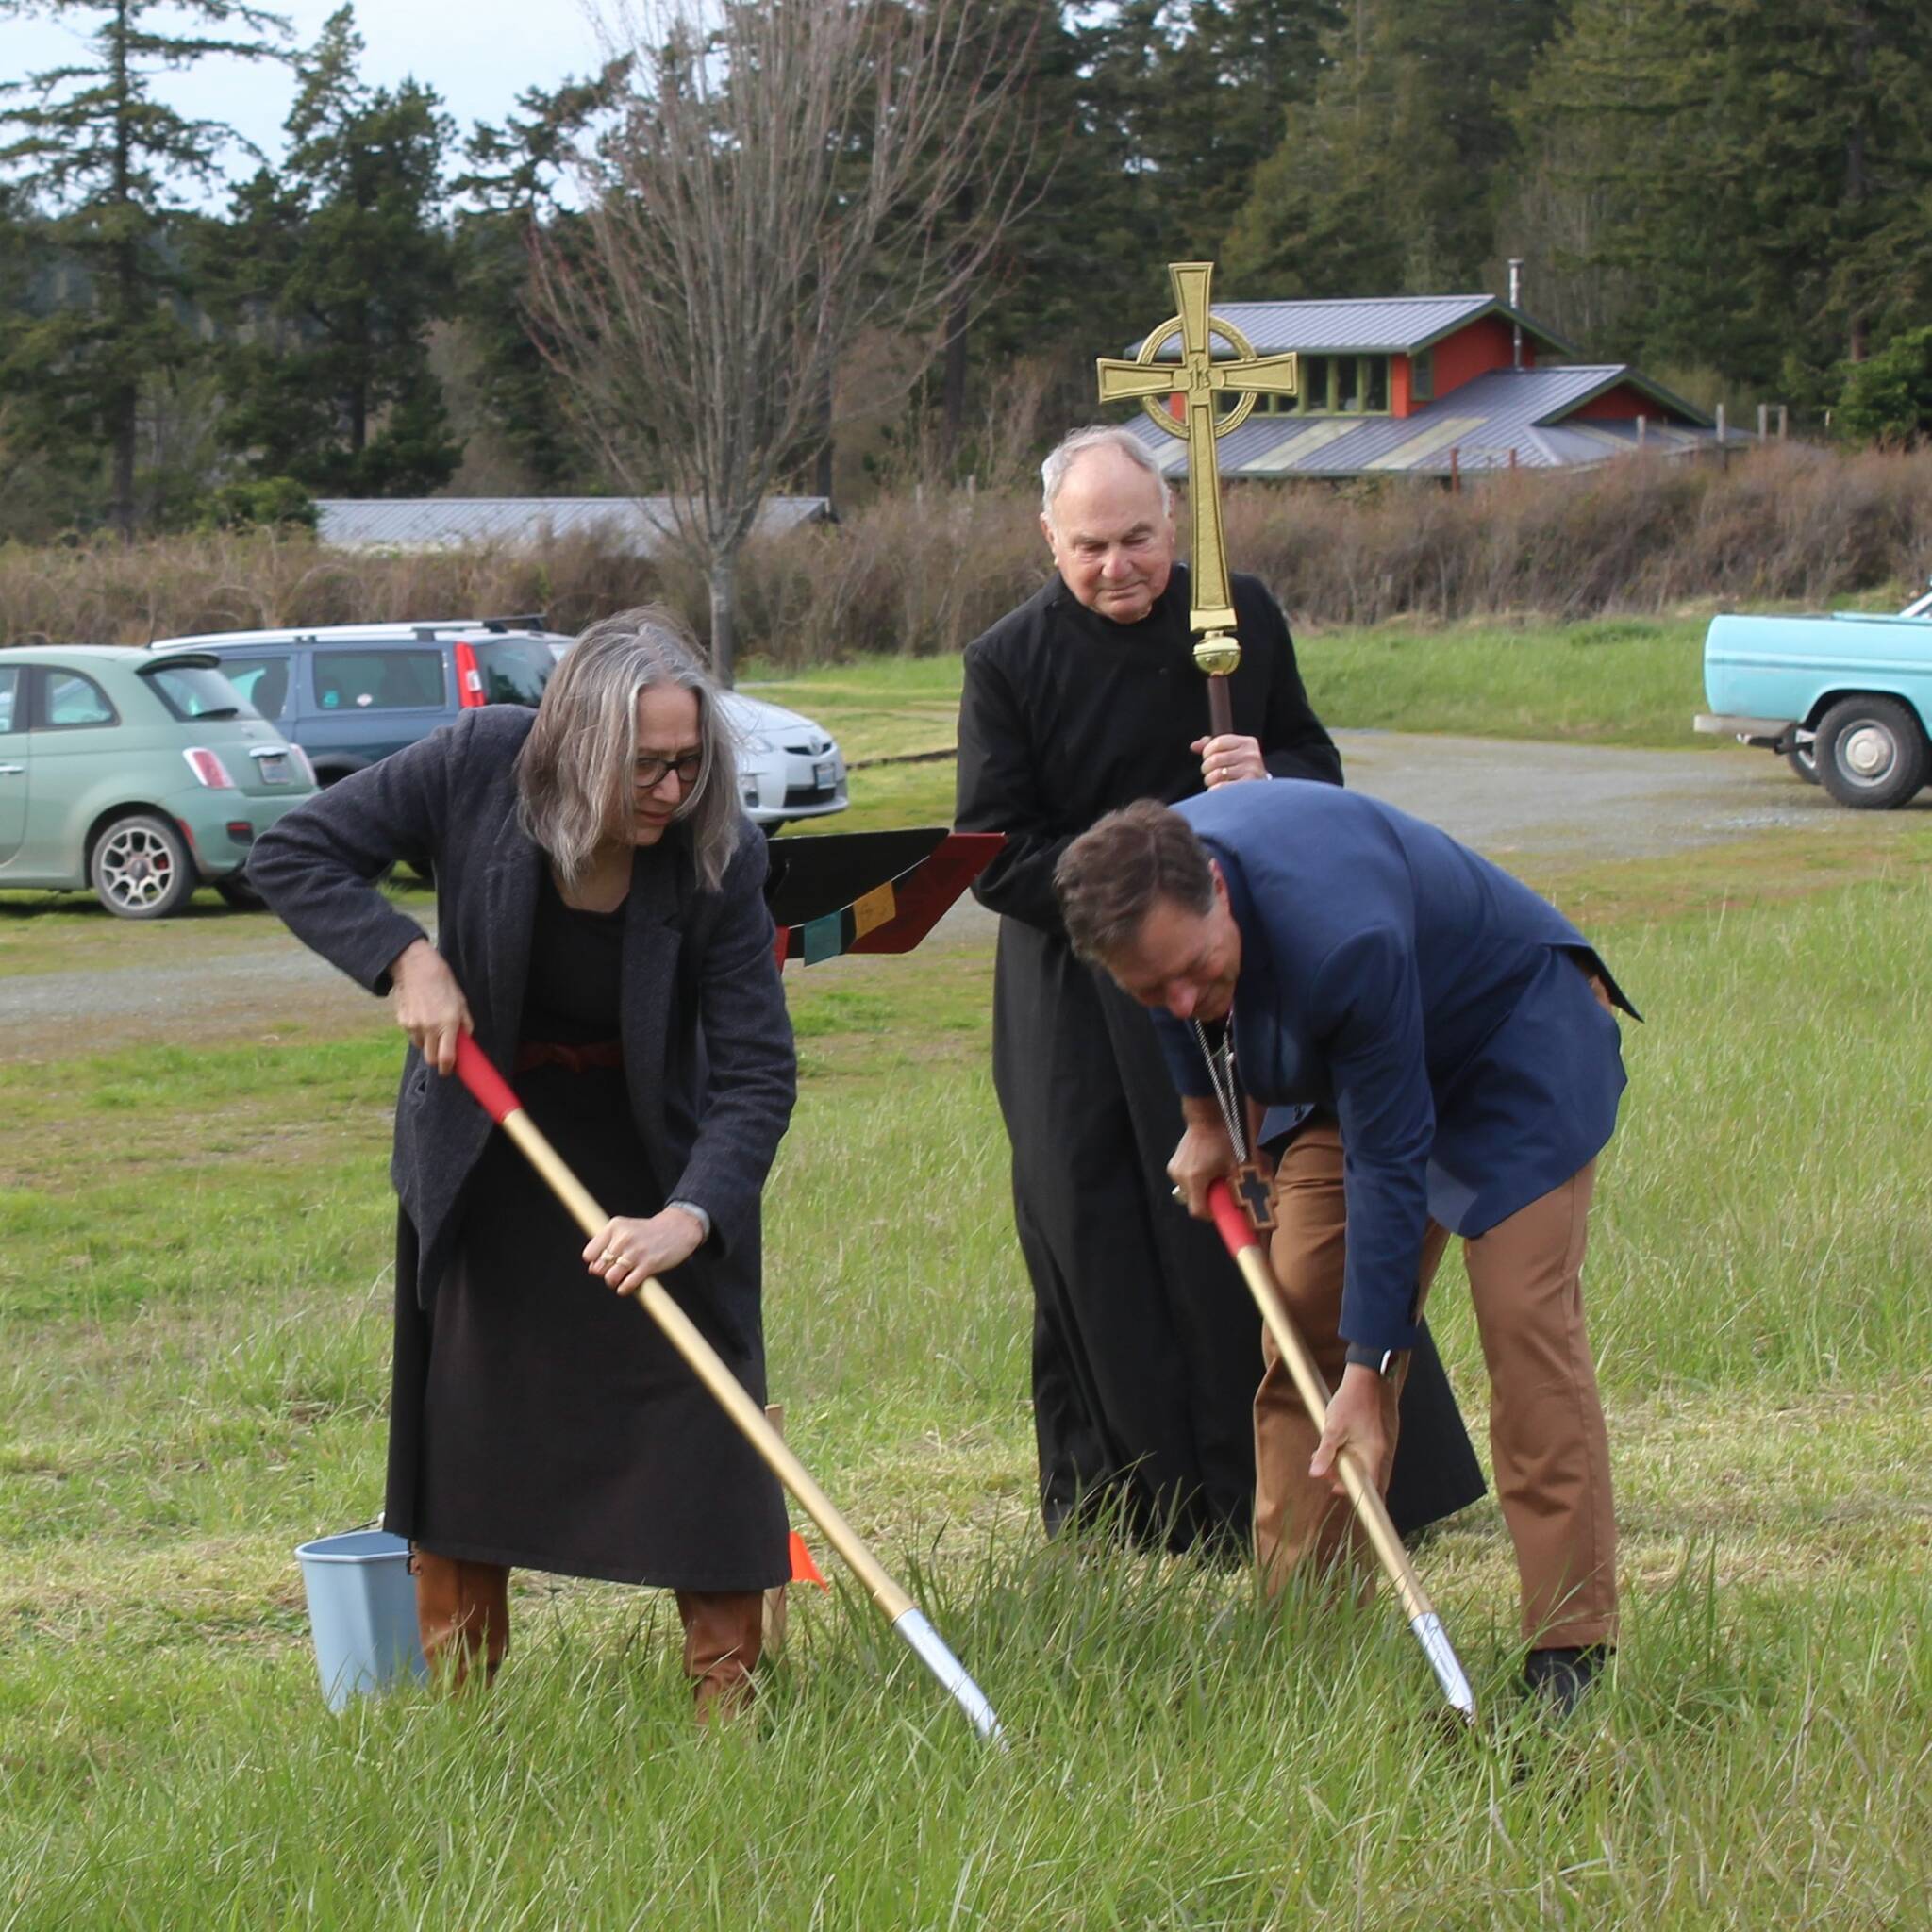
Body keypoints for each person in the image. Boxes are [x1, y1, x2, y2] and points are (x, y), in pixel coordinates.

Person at [250, 608, 797, 1719]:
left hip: (650, 1159)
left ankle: (729, 1705)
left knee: (706, 1412)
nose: (670, 788)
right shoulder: (479, 761)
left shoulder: (717, 851)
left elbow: (755, 1075)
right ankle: (463, 1710)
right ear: (575, 746)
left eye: (690, 762)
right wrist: (403, 955)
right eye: (644, 765)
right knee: (471, 1425)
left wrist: (686, 1218)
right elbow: (293, 851)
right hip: (488, 1152)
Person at [956, 424, 1481, 1554]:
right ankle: (1141, 1506)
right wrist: (1130, 896)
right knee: (1099, 1225)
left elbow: (1316, 770)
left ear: (1172, 523)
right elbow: (992, 852)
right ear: (1048, 537)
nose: (1117, 567)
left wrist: (1265, 776)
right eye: (1089, 545)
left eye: (1138, 539)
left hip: (1244, 962)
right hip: (1080, 991)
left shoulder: (1234, 613)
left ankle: (1341, 1473)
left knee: (1292, 1211)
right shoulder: (1006, 660)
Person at [1055, 791, 1635, 1712]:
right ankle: (1305, 1638)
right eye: (1148, 987)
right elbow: (1176, 1004)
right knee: (1300, 1316)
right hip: (1355, 1061)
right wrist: (1204, 1120)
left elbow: (1390, 1162)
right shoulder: (1155, 914)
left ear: (1218, 889)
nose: (1180, 1000)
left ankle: (1568, 1648)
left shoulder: (1340, 934)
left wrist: (1370, 1368)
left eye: (1198, 968)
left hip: (1507, 1048)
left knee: (1523, 1325)